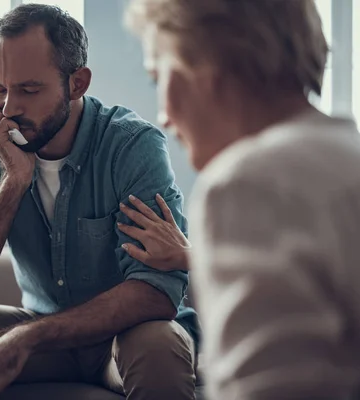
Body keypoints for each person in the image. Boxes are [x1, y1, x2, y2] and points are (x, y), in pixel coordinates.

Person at [0, 4, 199, 400]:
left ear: (77, 83)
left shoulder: (131, 146)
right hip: (47, 336)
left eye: (28, 89)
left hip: (124, 337)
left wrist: (26, 339)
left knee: (159, 345)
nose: (8, 109)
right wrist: (12, 183)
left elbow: (156, 292)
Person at [123, 0, 360, 399]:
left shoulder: (245, 186)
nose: (162, 116)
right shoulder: (345, 154)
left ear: (206, 70)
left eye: (157, 76)